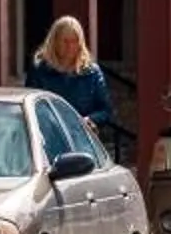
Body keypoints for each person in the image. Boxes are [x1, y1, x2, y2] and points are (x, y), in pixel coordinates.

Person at [27, 15, 118, 145]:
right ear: (55, 41)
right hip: (48, 138)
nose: (70, 46)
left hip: (81, 138)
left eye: (74, 41)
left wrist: (90, 119)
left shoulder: (91, 72)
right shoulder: (40, 71)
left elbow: (106, 110)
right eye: (65, 41)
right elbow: (32, 107)